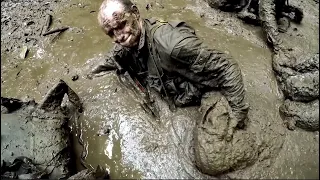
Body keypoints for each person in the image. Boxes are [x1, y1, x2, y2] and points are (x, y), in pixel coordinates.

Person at [89, 0, 249, 140]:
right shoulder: (127, 43)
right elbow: (110, 59)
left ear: (135, 13)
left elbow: (227, 66)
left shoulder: (172, 46)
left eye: (122, 25)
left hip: (197, 92)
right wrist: (89, 75)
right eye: (111, 33)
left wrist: (238, 111)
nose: (119, 37)